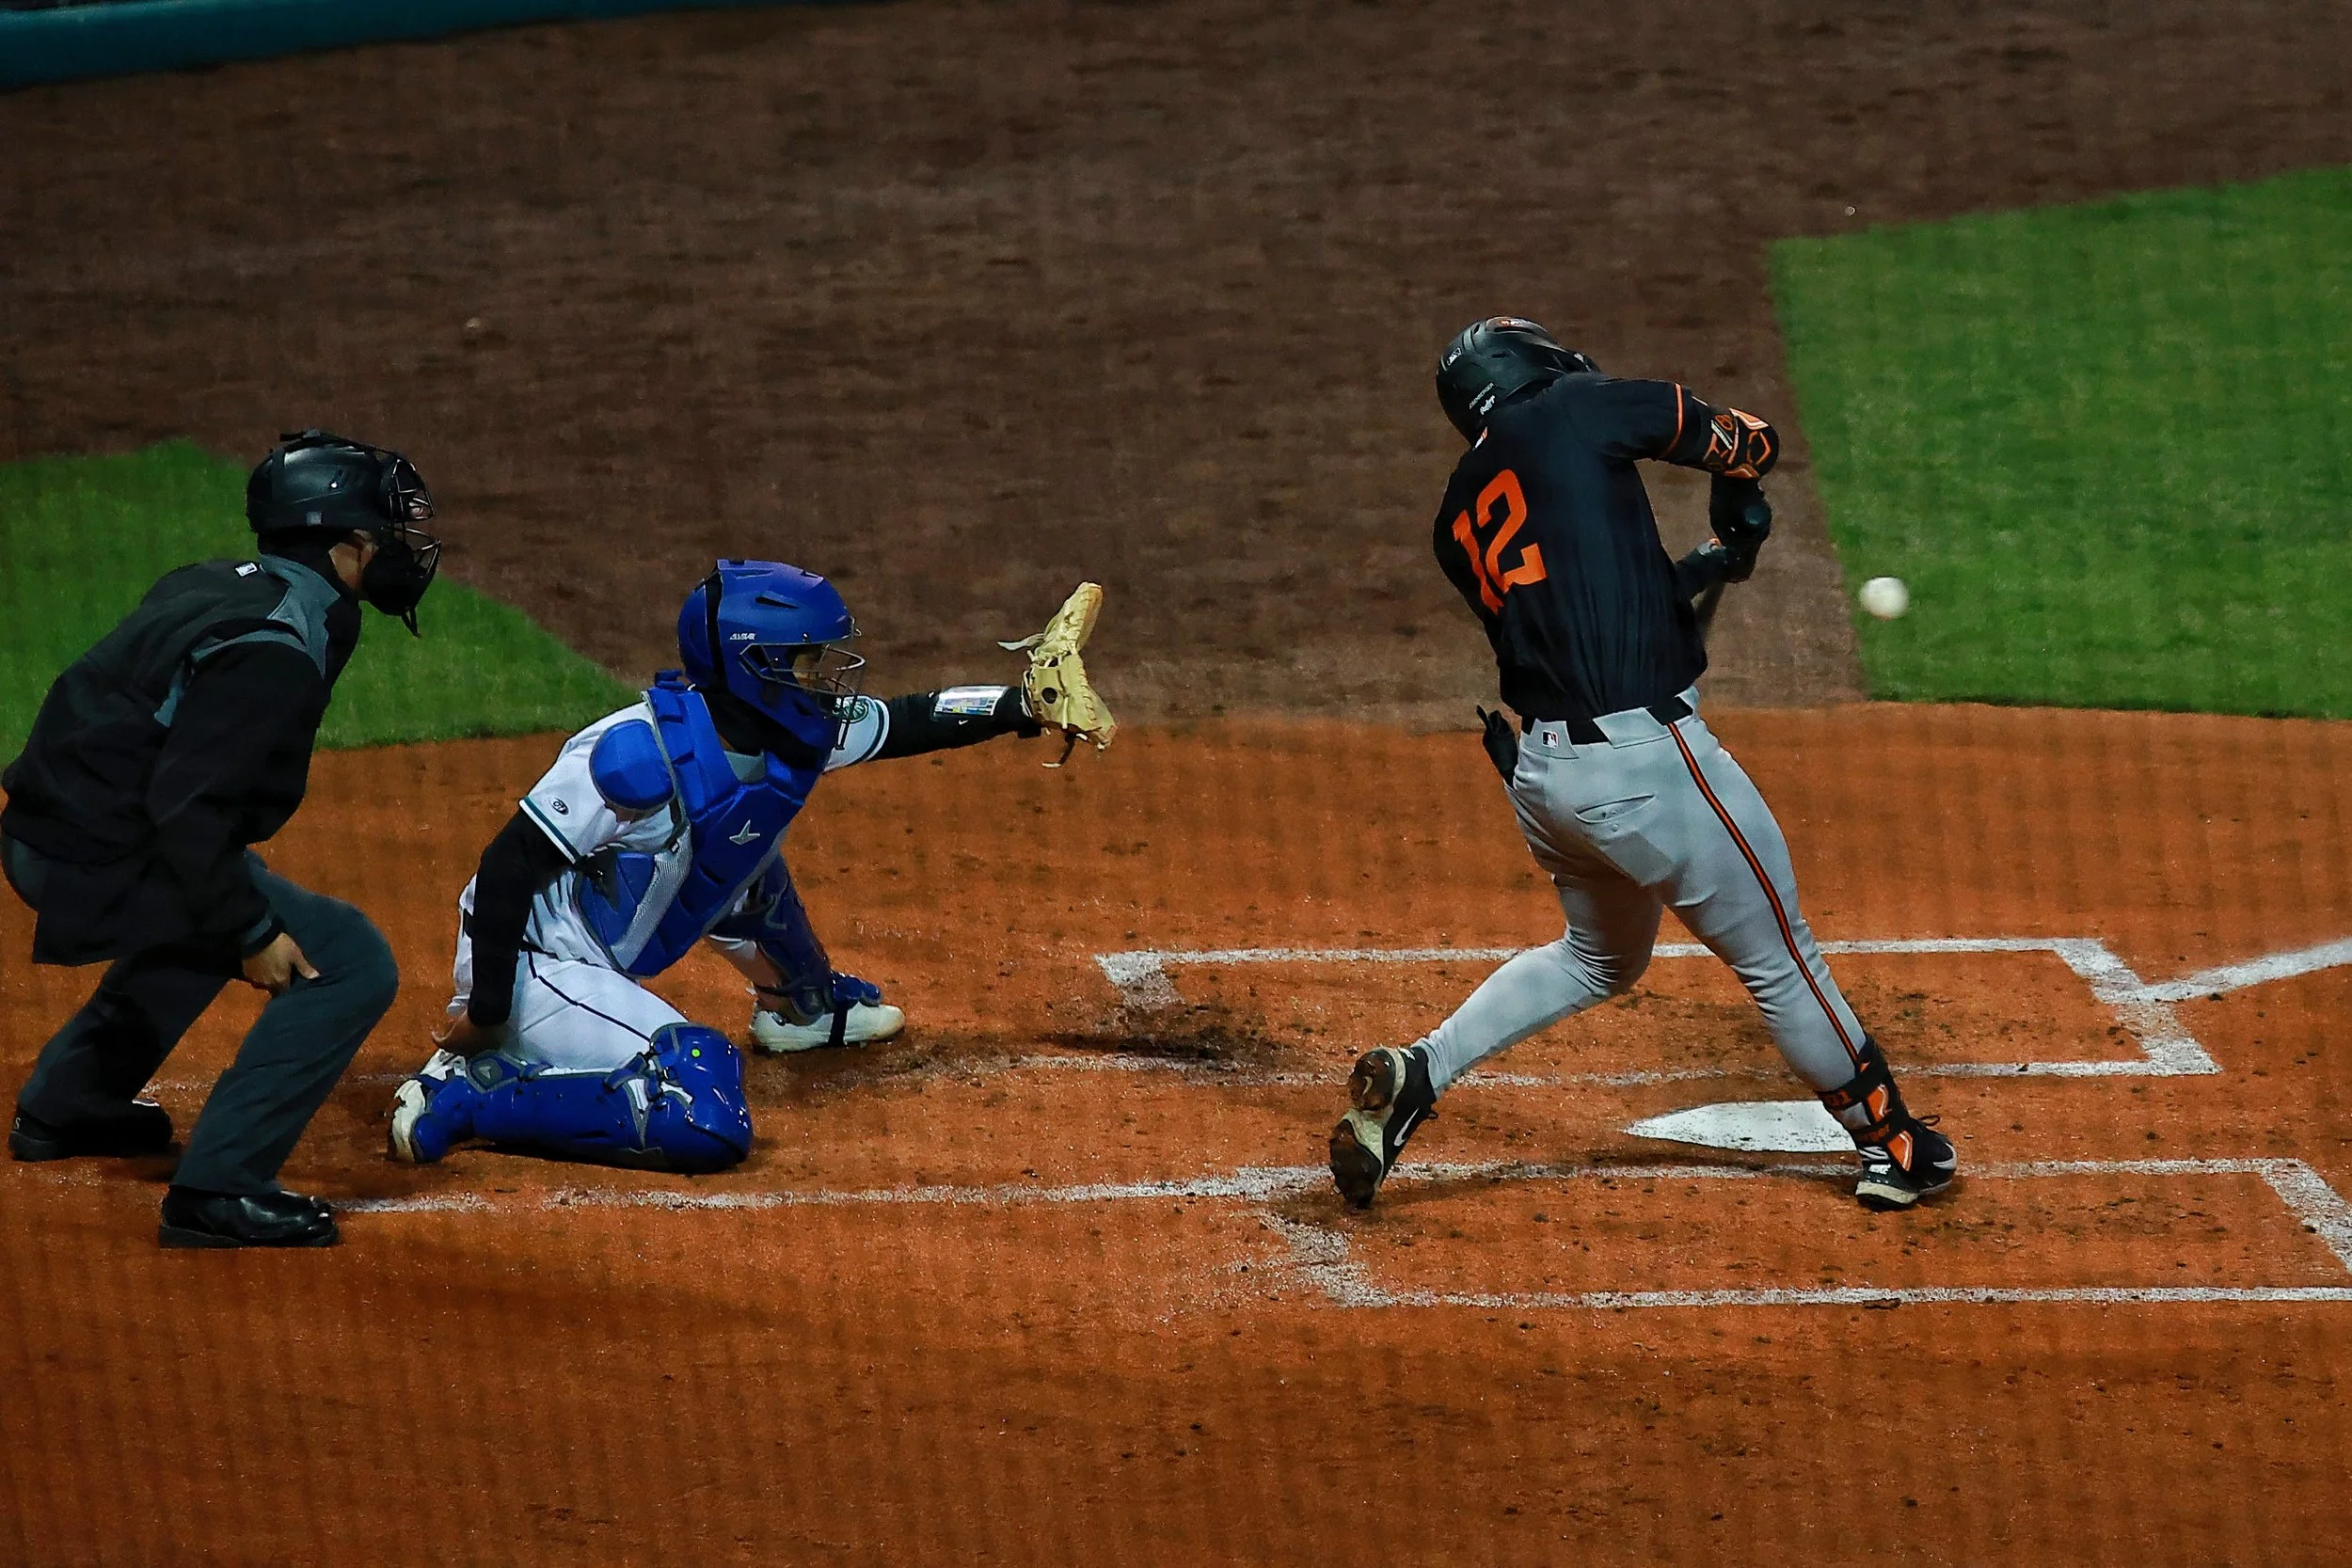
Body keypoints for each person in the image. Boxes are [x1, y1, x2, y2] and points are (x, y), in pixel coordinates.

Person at [1327, 317, 1957, 1213]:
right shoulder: (1577, 404)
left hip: (1546, 780)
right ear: (1534, 364)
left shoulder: (1456, 513)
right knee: (1782, 960)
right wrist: (1738, 492)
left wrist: (1709, 560)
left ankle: (1420, 1071)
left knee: (1598, 958)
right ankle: (1894, 1143)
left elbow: (1589, 612)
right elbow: (1747, 438)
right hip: (1646, 769)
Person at [388, 563, 1112, 1171]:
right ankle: (475, 1090)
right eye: (805, 661)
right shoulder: (635, 756)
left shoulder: (787, 729)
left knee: (742, 849)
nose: (824, 677)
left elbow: (908, 721)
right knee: (703, 1106)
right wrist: (486, 1012)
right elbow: (507, 863)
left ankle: (801, 1003)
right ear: (754, 667)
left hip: (608, 943)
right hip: (530, 965)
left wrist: (1021, 704)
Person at [4, 430, 441, 1246]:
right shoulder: (272, 648)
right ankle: (219, 1190)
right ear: (344, 544)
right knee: (345, 960)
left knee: (209, 896)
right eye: (382, 534)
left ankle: (69, 1105)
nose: (398, 550)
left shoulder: (232, 584)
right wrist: (250, 930)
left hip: (62, 825)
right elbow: (187, 808)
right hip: (91, 849)